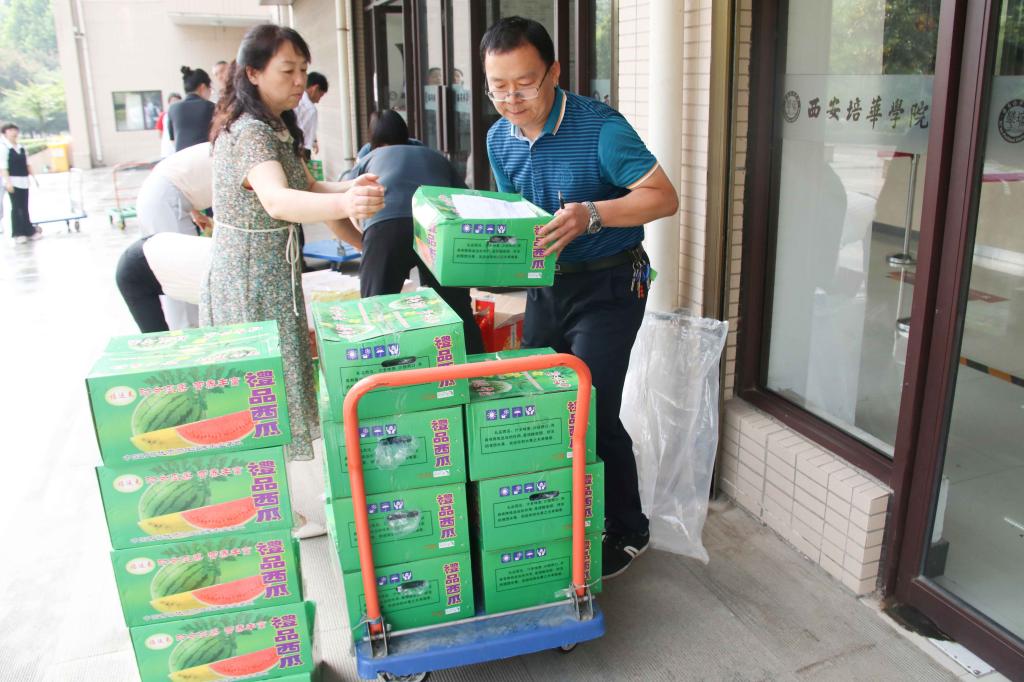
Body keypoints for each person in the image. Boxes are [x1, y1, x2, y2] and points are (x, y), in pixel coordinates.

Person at [481, 17, 679, 578]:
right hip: (549, 284)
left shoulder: (601, 129)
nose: (512, 99)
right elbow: (515, 217)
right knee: (540, 399)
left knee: (590, 406)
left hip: (612, 283)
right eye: (498, 87)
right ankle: (560, 513)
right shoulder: (499, 139)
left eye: (525, 84)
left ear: (554, 73)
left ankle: (629, 527)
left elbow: (663, 197)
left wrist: (592, 214)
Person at [203, 24, 384, 530]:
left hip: (273, 276)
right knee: (258, 393)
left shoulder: (278, 126)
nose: (300, 81)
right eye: (288, 70)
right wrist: (347, 201)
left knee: (272, 388)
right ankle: (268, 510)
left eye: (304, 70)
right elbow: (279, 200)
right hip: (249, 280)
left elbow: (308, 186)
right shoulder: (251, 132)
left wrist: (352, 191)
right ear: (253, 73)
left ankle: (269, 504)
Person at [343, 110, 485, 354]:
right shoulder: (434, 156)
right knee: (456, 310)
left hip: (386, 227)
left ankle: (377, 372)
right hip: (436, 227)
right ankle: (478, 367)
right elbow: (463, 200)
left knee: (375, 310)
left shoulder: (369, 159)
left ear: (373, 141)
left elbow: (342, 202)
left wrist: (364, 243)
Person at [136, 141, 215, 329]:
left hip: (165, 195)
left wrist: (195, 212)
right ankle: (188, 334)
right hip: (164, 199)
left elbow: (188, 177)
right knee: (178, 275)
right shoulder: (249, 146)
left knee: (177, 274)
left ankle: (189, 330)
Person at [1, 123, 37, 243]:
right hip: (13, 181)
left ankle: (29, 231)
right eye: (10, 130)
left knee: (25, 206)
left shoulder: (21, 147)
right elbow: (3, 167)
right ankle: (18, 233)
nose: (13, 132)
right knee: (16, 207)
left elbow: (27, 164)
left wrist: (34, 178)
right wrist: (8, 182)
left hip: (24, 180)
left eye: (15, 130)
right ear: (5, 133)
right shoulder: (4, 147)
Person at [166, 66, 215, 152]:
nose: (210, 92)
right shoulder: (211, 106)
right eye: (210, 88)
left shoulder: (173, 108)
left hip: (180, 156)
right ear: (203, 87)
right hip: (204, 155)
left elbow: (172, 139)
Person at [295, 71, 328, 160]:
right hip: (300, 150)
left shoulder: (295, 99)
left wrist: (314, 141)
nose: (319, 100)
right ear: (315, 88)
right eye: (321, 95)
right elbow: (305, 135)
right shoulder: (310, 109)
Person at [156, 93, 182, 158]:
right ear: (169, 102)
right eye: (173, 101)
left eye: (177, 101)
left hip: (180, 147)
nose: (175, 103)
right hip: (167, 149)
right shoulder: (163, 116)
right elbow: (160, 133)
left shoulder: (183, 115)